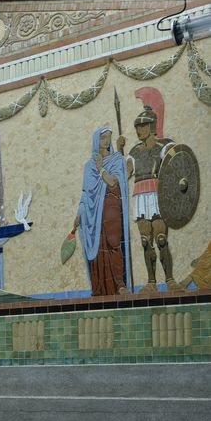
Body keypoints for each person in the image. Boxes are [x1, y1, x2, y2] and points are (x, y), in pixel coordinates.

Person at [117, 105, 181, 292]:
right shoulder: (134, 152)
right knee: (145, 241)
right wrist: (119, 150)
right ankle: (151, 282)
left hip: (157, 193)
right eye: (137, 126)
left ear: (152, 126)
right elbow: (125, 173)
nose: (139, 130)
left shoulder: (165, 145)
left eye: (143, 125)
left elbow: (176, 164)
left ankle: (169, 280)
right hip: (140, 194)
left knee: (161, 238)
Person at [74, 126, 131, 296]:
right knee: (98, 249)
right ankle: (99, 288)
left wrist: (101, 168)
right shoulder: (88, 166)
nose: (106, 141)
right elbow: (86, 193)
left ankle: (120, 284)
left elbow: (113, 182)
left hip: (111, 206)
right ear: (95, 141)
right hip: (92, 213)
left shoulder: (117, 160)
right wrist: (79, 214)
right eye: (103, 138)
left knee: (114, 243)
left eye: (108, 137)